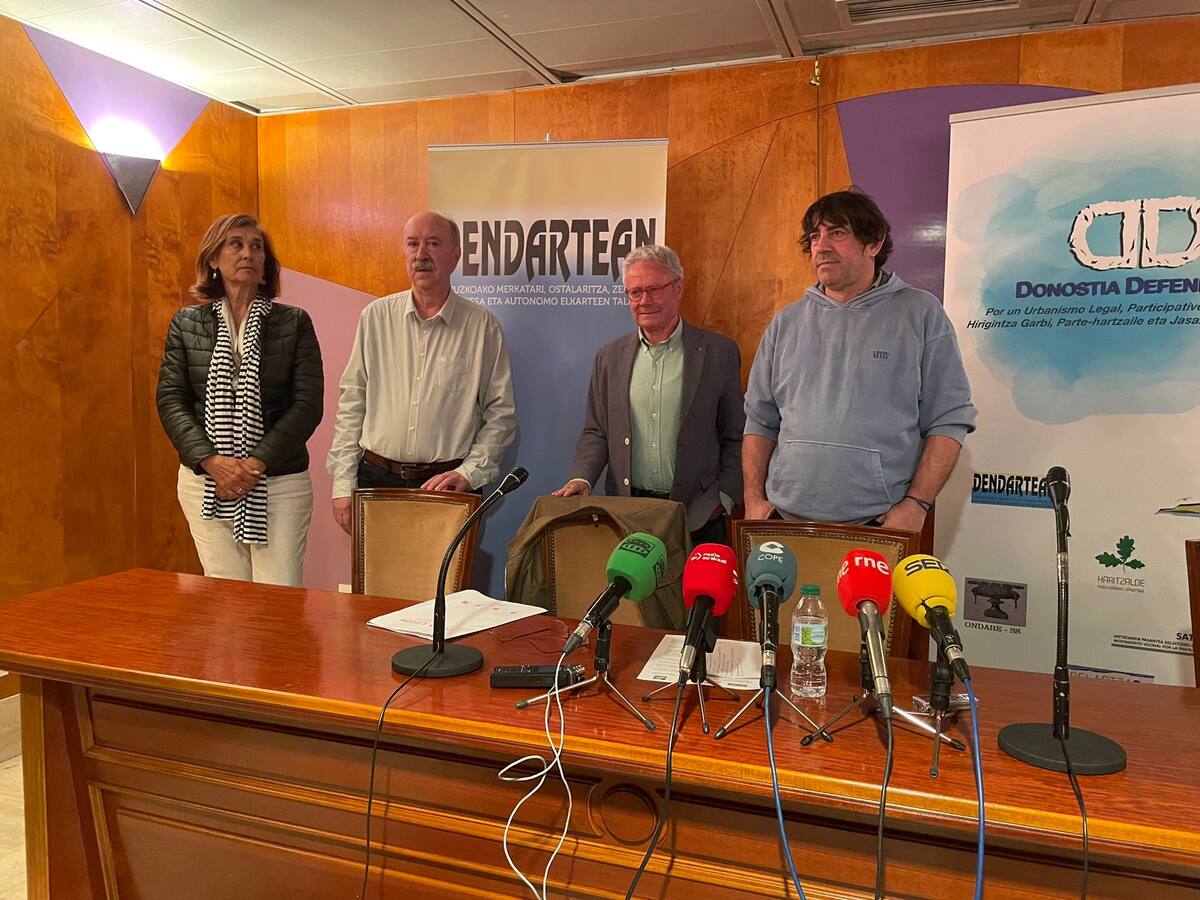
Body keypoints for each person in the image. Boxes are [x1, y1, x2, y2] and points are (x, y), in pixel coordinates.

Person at [743, 188, 976, 531]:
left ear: (874, 243)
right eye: (815, 236)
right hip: (784, 520)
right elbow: (760, 421)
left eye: (837, 233)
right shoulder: (786, 322)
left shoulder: (920, 313)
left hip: (878, 523)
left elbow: (949, 418)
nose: (821, 247)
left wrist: (917, 503)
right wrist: (752, 499)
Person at [157, 213, 324, 586]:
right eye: (236, 244)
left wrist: (254, 464)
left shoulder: (294, 322)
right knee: (224, 596)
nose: (248, 253)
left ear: (266, 264)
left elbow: (307, 404)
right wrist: (212, 461)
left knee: (278, 594)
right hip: (207, 482)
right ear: (214, 259)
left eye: (256, 246)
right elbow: (171, 400)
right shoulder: (186, 323)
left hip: (279, 482)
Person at [327, 210, 517, 533]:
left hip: (449, 487)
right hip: (377, 482)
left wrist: (469, 473)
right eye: (413, 244)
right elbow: (352, 403)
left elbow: (501, 415)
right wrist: (343, 484)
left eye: (433, 243)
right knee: (380, 570)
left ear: (455, 255)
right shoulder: (375, 318)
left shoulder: (482, 328)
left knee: (445, 571)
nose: (421, 255)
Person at [552, 244, 744, 545]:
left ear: (678, 288)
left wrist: (724, 498)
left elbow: (735, 435)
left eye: (654, 289)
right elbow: (596, 431)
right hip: (627, 515)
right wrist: (582, 477)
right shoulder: (609, 357)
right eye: (635, 292)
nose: (644, 301)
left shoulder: (719, 353)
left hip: (699, 517)